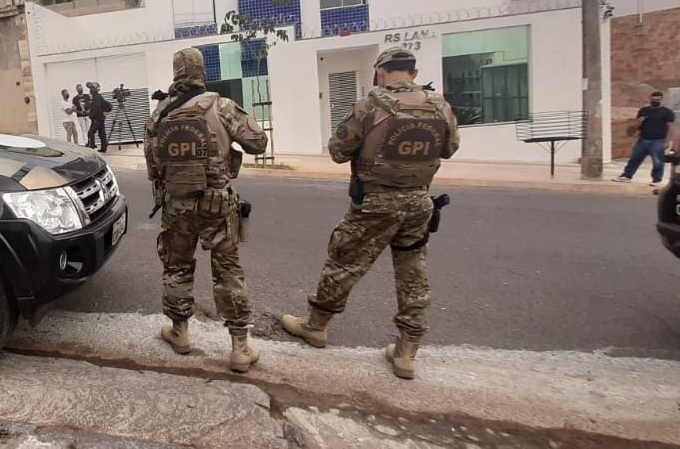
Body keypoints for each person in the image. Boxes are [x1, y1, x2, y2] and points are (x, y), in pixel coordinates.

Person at [280, 48, 459, 380]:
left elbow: (337, 150)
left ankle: (316, 326)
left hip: (376, 203)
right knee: (413, 275)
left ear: (380, 72)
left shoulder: (370, 106)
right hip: (419, 203)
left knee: (345, 263)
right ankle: (406, 353)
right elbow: (449, 148)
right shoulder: (440, 106)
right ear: (414, 74)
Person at [146, 48, 269, 373]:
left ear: (176, 74)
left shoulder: (159, 114)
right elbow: (258, 142)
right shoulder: (222, 105)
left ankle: (180, 333)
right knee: (228, 271)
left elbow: (154, 167)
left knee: (177, 268)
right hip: (218, 204)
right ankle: (240, 348)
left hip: (177, 205)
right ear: (202, 71)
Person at [614, 91, 675, 187]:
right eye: (653, 100)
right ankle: (627, 176)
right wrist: (640, 121)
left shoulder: (667, 112)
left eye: (657, 100)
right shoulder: (644, 111)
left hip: (658, 140)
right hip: (643, 139)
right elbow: (635, 125)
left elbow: (671, 127)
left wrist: (667, 141)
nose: (655, 101)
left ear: (661, 100)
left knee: (658, 162)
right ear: (650, 99)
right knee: (634, 159)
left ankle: (656, 180)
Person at [86, 82, 112, 152]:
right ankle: (104, 148)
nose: (90, 90)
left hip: (97, 118)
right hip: (101, 117)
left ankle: (91, 147)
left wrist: (91, 116)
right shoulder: (98, 96)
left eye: (91, 88)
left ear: (94, 90)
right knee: (102, 133)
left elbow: (96, 108)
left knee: (90, 133)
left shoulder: (96, 97)